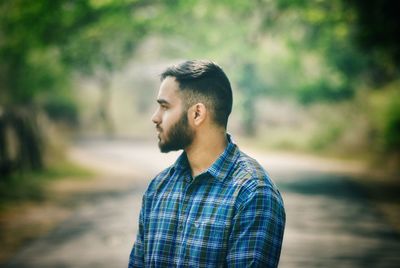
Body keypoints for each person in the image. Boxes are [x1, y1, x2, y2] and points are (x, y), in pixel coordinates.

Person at [128, 60, 285, 267]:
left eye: (165, 107)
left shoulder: (253, 193)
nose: (155, 118)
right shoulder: (158, 187)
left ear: (197, 113)